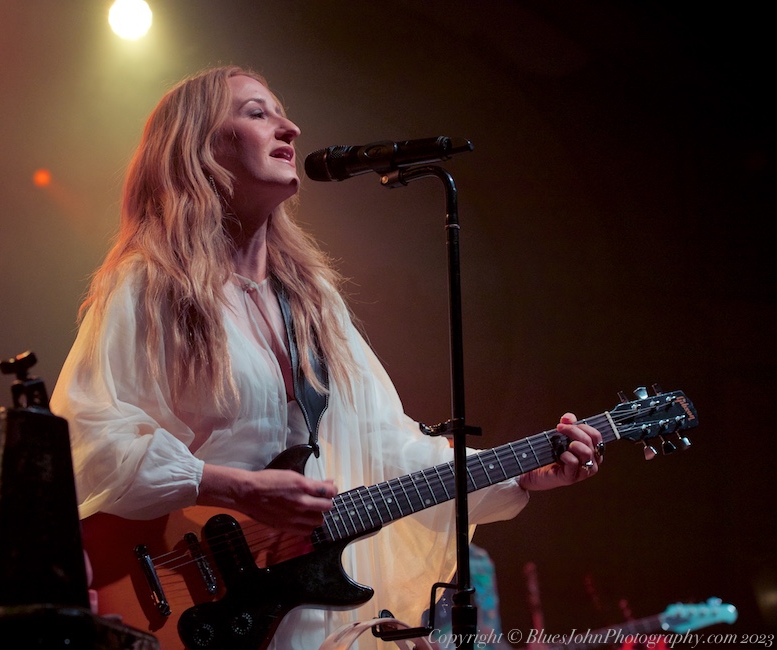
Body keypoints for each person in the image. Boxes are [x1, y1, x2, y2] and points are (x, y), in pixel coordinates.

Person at [49, 65, 602, 650]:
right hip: (194, 599)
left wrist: (522, 472)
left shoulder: (313, 302)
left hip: (311, 608)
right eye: (257, 112)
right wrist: (230, 486)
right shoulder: (150, 285)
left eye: (281, 111)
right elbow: (85, 438)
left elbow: (390, 450)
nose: (290, 126)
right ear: (198, 148)